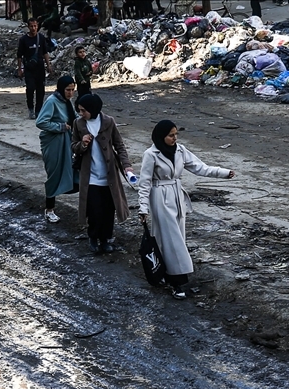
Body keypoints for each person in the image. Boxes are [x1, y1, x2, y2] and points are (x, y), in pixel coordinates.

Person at [138, 120, 235, 300]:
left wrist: (222, 172)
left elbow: (199, 167)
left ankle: (165, 273)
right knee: (172, 240)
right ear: (161, 137)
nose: (175, 138)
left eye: (176, 134)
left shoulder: (180, 150)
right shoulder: (150, 155)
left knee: (176, 238)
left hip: (177, 197)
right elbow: (144, 183)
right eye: (170, 135)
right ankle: (178, 281)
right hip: (160, 198)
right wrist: (143, 208)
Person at [72, 93, 136, 254]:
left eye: (83, 110)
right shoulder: (78, 124)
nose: (81, 114)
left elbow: (119, 146)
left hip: (109, 176)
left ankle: (106, 239)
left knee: (109, 210)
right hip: (90, 176)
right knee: (94, 210)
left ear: (93, 109)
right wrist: (82, 144)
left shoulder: (108, 122)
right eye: (79, 110)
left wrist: (127, 166)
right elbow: (73, 146)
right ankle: (93, 237)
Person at [36, 75, 78, 224]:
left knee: (72, 170)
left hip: (66, 140)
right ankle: (49, 210)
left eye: (73, 90)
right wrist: (59, 127)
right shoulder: (52, 101)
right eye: (68, 90)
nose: (70, 93)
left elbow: (74, 117)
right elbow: (41, 122)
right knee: (54, 173)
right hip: (53, 142)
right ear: (61, 89)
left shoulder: (67, 101)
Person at [17, 18, 53, 120]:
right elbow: (19, 55)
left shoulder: (41, 38)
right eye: (31, 26)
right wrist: (20, 69)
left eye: (35, 26)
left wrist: (48, 65)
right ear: (28, 27)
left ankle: (38, 111)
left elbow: (45, 52)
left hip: (40, 68)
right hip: (29, 69)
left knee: (40, 90)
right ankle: (31, 109)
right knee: (30, 88)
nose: (33, 28)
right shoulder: (23, 40)